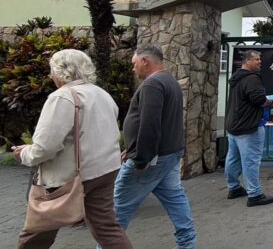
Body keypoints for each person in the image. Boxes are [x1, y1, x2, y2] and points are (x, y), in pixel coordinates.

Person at [13, 49, 132, 249]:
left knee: (37, 230)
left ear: (61, 72)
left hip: (70, 176)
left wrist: (24, 153)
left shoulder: (61, 97)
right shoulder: (101, 94)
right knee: (107, 228)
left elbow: (45, 147)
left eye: (52, 71)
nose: (50, 76)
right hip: (104, 170)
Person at [115, 44, 196, 249]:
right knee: (175, 197)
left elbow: (150, 125)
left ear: (145, 61)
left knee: (118, 207)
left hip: (152, 158)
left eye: (134, 63)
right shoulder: (169, 80)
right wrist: (132, 148)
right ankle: (187, 244)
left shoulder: (152, 84)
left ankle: (107, 245)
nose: (133, 68)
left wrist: (140, 158)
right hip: (168, 153)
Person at [225, 50, 273, 207]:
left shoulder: (236, 77)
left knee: (233, 159)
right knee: (251, 161)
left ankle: (234, 188)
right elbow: (259, 100)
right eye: (256, 59)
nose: (260, 61)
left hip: (234, 126)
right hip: (249, 127)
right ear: (247, 61)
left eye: (260, 59)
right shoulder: (252, 79)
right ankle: (254, 194)